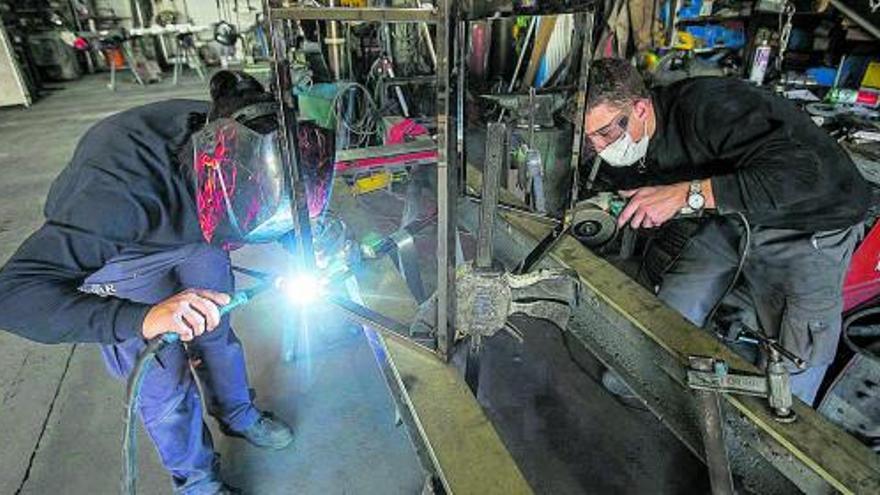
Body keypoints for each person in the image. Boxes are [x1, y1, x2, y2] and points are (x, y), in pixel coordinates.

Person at [0, 71, 335, 494]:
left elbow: (278, 203)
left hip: (202, 227)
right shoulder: (114, 201)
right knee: (163, 378)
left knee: (215, 327)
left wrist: (305, 240)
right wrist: (142, 318)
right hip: (128, 253)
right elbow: (11, 296)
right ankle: (197, 481)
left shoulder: (249, 140)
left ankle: (237, 414)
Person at [583, 58, 870, 405]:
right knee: (681, 292)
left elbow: (801, 175)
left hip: (808, 223)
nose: (600, 147)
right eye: (589, 138)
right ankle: (643, 375)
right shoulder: (638, 139)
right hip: (736, 213)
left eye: (606, 132)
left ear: (641, 108)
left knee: (796, 347)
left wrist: (686, 195)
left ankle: (781, 442)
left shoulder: (711, 107)